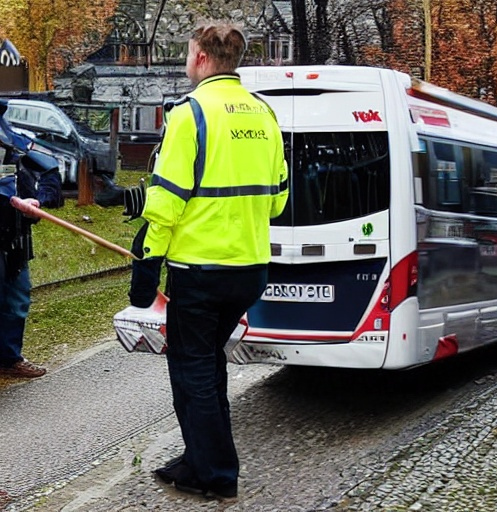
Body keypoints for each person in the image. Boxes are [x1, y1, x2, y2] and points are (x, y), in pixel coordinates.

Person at [129, 22, 288, 499]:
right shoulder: (264, 114)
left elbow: (165, 203)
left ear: (200, 58)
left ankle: (216, 474)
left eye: (188, 53)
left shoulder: (190, 113)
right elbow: (278, 201)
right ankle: (198, 459)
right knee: (205, 365)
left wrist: (145, 269)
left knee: (191, 368)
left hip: (199, 272)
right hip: (251, 270)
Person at [0, 150, 62, 378]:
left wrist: (38, 200)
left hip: (16, 240)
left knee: (17, 300)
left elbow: (50, 173)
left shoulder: (17, 147)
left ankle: (10, 359)